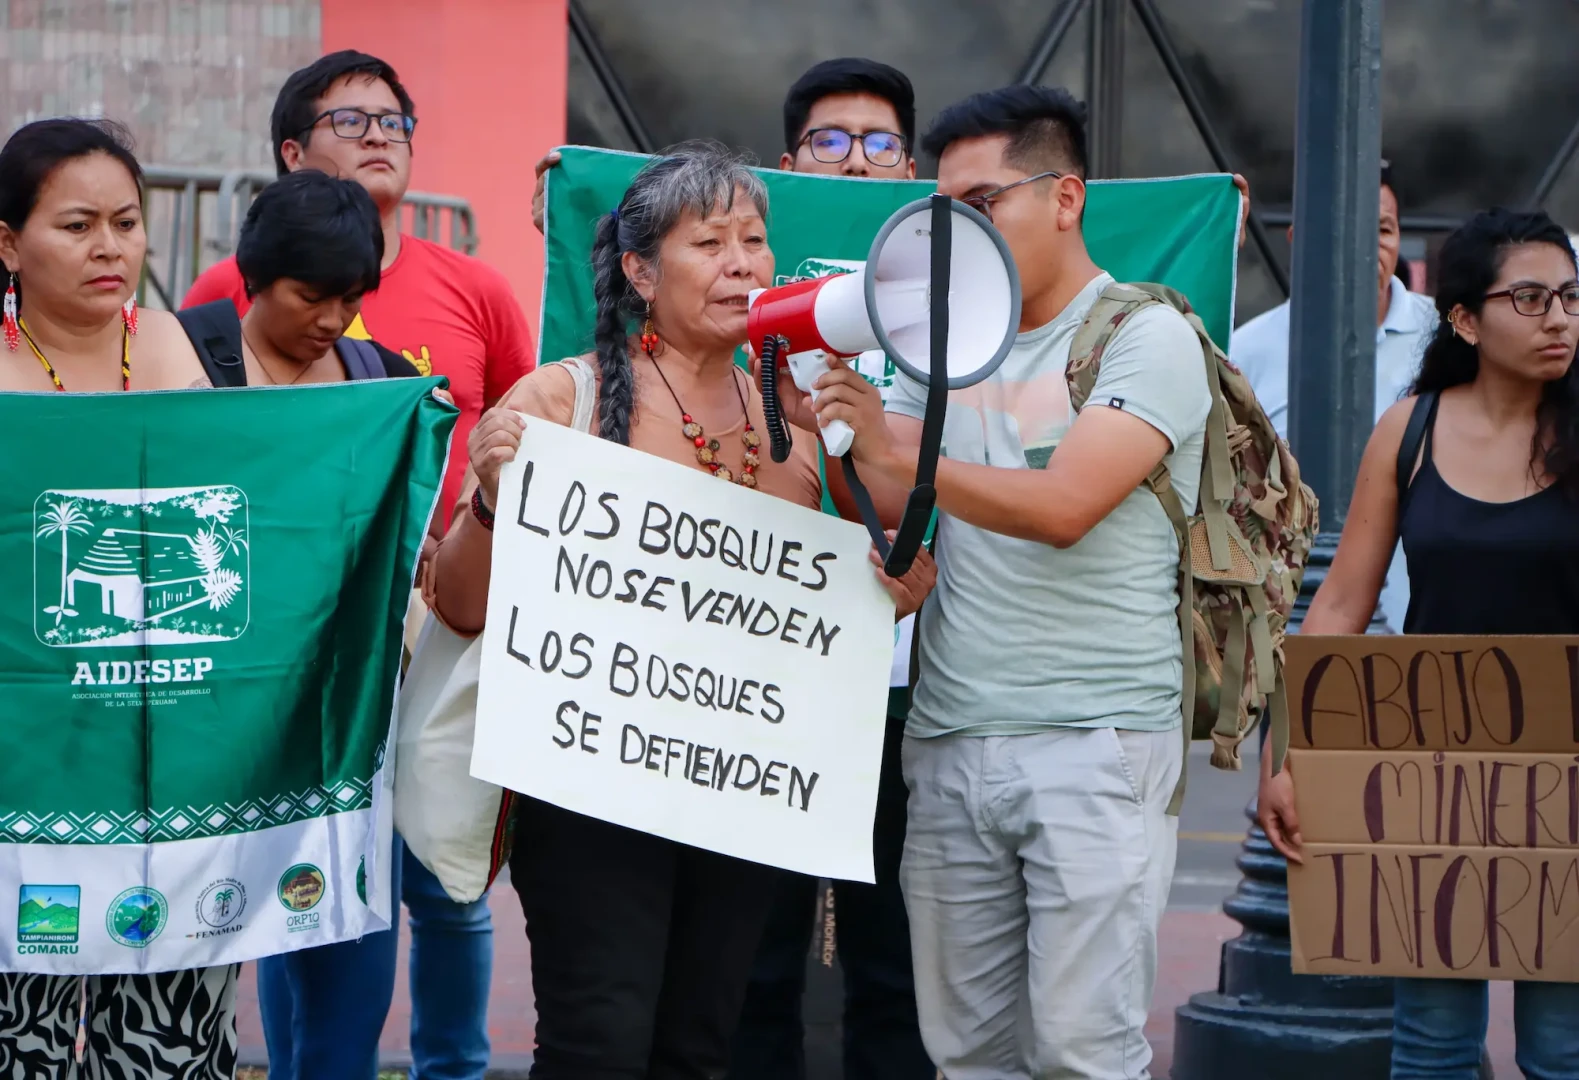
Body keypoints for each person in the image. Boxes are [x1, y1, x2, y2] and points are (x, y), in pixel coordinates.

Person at [426, 142, 937, 1080]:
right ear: (638, 269)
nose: (744, 263)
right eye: (710, 242)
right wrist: (495, 500)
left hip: (738, 792)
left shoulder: (796, 419)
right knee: (599, 1040)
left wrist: (898, 591)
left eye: (754, 239)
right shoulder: (560, 398)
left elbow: (862, 592)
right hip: (588, 785)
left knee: (702, 1045)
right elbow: (459, 607)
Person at [790, 85, 1212, 1080]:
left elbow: (1064, 506)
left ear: (1065, 197)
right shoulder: (935, 346)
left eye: (984, 204)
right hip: (947, 742)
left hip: (1097, 741)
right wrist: (838, 433)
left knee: (1080, 1053)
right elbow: (895, 510)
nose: (959, 234)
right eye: (946, 212)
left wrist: (894, 454)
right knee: (967, 1055)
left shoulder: (1143, 336)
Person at [183, 49, 524, 1080]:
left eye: (396, 119)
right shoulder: (187, 344)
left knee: (413, 890)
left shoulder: (413, 336)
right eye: (350, 119)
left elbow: (514, 415)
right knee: (259, 913)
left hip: (387, 666)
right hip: (238, 696)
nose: (332, 319)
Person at [1258, 208, 1579, 1079]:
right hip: (1433, 767)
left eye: (1569, 296)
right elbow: (1338, 608)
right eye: (1529, 296)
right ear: (1465, 319)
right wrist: (1289, 759)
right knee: (1431, 1045)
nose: (1557, 317)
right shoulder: (1408, 430)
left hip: (1570, 771)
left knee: (1564, 1047)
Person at [0, 118, 230, 1079]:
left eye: (128, 223)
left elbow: (238, 511)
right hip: (26, 766)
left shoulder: (169, 341)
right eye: (78, 224)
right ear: (8, 243)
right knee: (24, 1036)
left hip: (163, 752)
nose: (110, 247)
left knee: (171, 1036)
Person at [726, 56, 933, 1080]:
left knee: (895, 970)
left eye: (879, 143)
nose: (855, 163)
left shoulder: (962, 287)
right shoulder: (737, 276)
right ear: (787, 164)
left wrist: (1200, 215)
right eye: (829, 143)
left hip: (904, 691)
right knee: (754, 966)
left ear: (910, 172)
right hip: (766, 687)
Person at [1232, 159, 1436, 632]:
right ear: (1296, 241)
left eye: (1383, 230)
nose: (1366, 251)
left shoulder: (1445, 337)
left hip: (1416, 633)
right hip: (1287, 632)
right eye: (1342, 232)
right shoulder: (1247, 349)